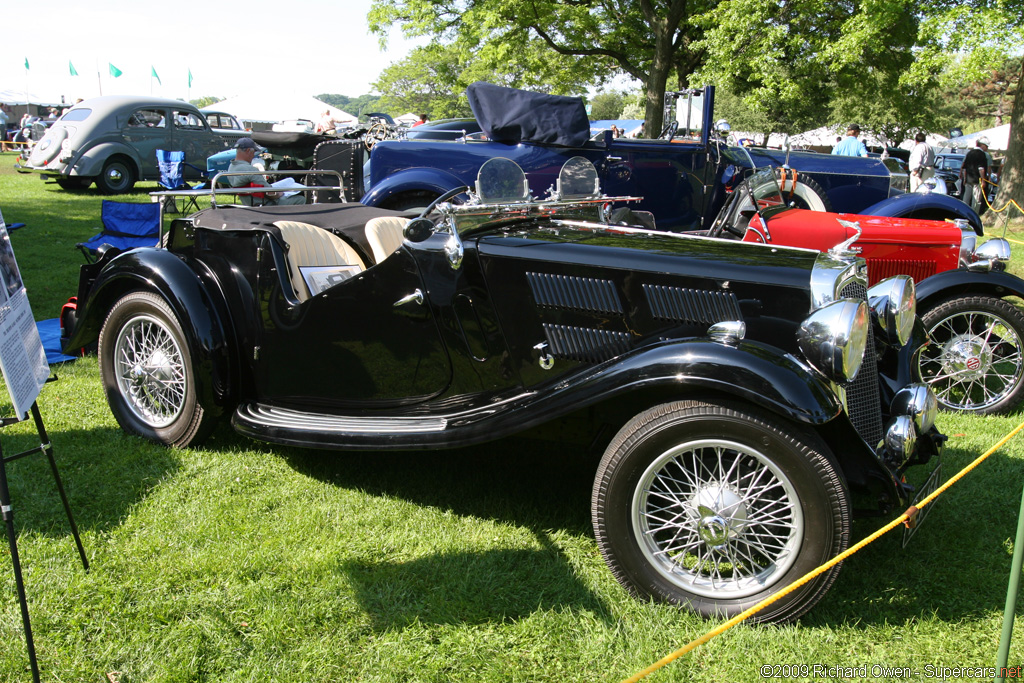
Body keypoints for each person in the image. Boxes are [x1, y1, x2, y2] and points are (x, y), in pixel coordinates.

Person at [227, 138, 306, 206]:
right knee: (300, 199)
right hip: (264, 204)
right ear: (248, 151)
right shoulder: (250, 170)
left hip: (250, 202)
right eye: (253, 152)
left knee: (288, 183)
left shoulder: (231, 168)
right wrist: (280, 194)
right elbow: (270, 193)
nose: (253, 156)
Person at [961, 137, 990, 213]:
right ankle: (974, 214)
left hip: (968, 179)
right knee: (976, 199)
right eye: (986, 146)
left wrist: (964, 179)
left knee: (966, 198)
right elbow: (981, 168)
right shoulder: (981, 154)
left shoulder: (969, 153)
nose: (987, 148)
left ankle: (963, 212)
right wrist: (983, 180)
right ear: (982, 145)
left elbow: (964, 167)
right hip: (977, 180)